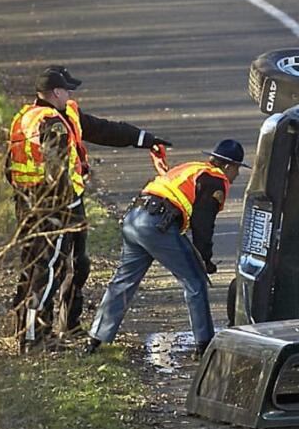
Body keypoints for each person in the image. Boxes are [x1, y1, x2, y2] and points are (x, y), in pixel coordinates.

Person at [6, 65, 171, 350]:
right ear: (55, 92)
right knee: (45, 270)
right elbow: (53, 170)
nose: (70, 93)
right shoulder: (48, 122)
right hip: (51, 209)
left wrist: (144, 139)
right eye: (67, 89)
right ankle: (34, 338)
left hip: (51, 204)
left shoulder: (56, 115)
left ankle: (67, 324)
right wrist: (59, 207)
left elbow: (102, 129)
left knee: (76, 265)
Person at [85, 138, 249, 357]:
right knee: (195, 282)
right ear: (228, 166)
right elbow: (203, 224)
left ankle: (95, 339)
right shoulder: (215, 180)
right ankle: (204, 345)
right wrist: (204, 260)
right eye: (237, 169)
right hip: (157, 225)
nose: (236, 175)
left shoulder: (193, 168)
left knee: (124, 281)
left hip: (134, 218)